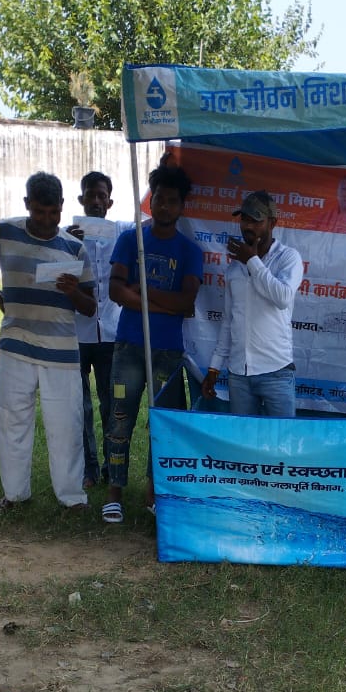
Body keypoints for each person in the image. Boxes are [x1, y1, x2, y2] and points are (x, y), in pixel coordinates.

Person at [0, 171, 96, 511]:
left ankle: (71, 497)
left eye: (54, 213)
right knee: (12, 420)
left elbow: (91, 307)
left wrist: (73, 291)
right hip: (16, 345)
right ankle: (15, 495)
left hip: (61, 352)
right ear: (27, 204)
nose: (47, 220)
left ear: (62, 206)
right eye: (39, 212)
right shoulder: (4, 231)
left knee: (66, 425)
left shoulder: (75, 248)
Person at [102, 163, 202, 523]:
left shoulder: (189, 251)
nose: (164, 206)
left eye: (172, 201)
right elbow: (115, 291)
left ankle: (153, 493)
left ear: (181, 206)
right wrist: (163, 302)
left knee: (162, 424)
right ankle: (114, 493)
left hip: (168, 352)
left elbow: (187, 302)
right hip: (129, 346)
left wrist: (142, 292)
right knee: (119, 418)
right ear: (151, 200)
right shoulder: (131, 240)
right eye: (159, 199)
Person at [202, 190, 303, 418]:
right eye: (244, 220)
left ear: (272, 223)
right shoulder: (234, 267)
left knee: (281, 438)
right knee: (244, 438)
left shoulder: (288, 258)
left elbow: (282, 297)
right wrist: (214, 367)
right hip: (239, 374)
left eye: (256, 220)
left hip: (276, 371)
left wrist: (252, 261)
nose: (248, 226)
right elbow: (229, 320)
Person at [67, 171, 125, 489]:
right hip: (78, 333)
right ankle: (88, 468)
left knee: (110, 403)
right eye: (91, 195)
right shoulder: (67, 237)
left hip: (111, 333)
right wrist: (69, 246)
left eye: (102, 196)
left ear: (109, 202)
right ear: (81, 200)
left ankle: (109, 466)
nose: (96, 201)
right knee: (80, 406)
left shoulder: (121, 235)